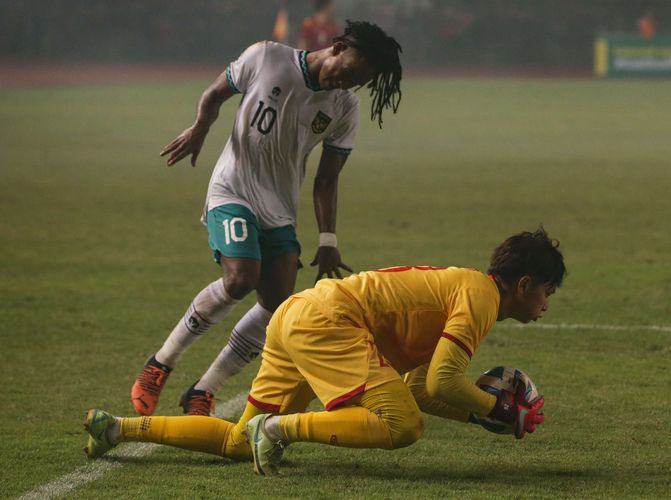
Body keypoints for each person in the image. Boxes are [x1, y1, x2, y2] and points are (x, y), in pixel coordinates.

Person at [86, 228, 565, 475]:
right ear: (523, 285)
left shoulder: (467, 290)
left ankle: (117, 429)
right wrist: (499, 406)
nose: (546, 303)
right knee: (403, 427)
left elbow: (420, 384)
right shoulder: (480, 297)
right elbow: (441, 383)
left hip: (300, 314)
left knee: (238, 440)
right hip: (330, 321)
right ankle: (277, 430)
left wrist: (478, 417)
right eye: (547, 291)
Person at [130, 20, 403, 417]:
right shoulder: (266, 56)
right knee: (241, 278)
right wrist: (201, 129)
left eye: (355, 82)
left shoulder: (344, 107)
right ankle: (160, 363)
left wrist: (328, 239)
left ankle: (203, 390)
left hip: (279, 207)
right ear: (339, 46)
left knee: (279, 305)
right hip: (233, 189)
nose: (344, 84)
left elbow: (327, 179)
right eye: (346, 72)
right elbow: (214, 94)